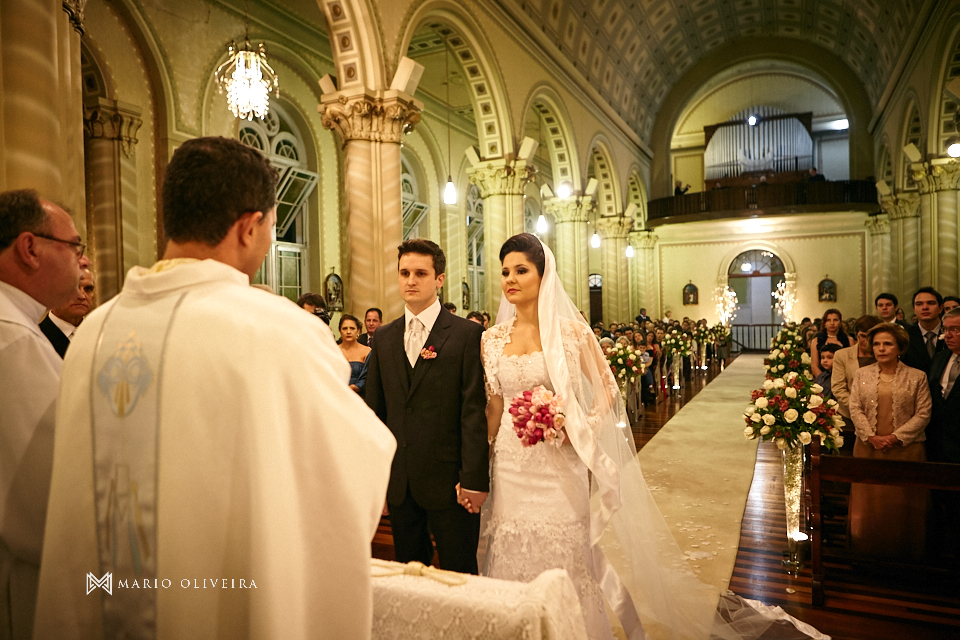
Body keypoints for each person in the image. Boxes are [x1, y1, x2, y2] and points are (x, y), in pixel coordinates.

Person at [32, 137, 397, 640]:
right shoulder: (279, 330)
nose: (269, 242)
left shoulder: (97, 332)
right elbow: (351, 469)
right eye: (272, 227)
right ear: (249, 226)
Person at [478, 233, 810, 640]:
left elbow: (606, 390)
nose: (510, 279)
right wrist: (483, 462)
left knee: (565, 548)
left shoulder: (570, 333)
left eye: (520, 270)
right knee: (511, 544)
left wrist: (573, 424)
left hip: (557, 461)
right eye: (504, 272)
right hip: (511, 463)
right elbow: (494, 406)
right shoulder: (491, 339)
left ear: (543, 276)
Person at [364, 238, 488, 575]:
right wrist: (379, 480)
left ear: (439, 279)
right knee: (409, 577)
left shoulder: (465, 334)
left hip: (451, 483)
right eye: (404, 272)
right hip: (402, 483)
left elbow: (472, 411)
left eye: (420, 273)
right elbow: (375, 413)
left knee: (459, 573)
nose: (411, 280)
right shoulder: (385, 337)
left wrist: (474, 479)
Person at [0, 189, 88, 640]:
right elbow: (47, 500)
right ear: (30, 248)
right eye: (76, 247)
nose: (83, 262)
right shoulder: (13, 341)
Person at [848, 323, 931, 559]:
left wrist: (895, 437)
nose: (881, 349)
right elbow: (854, 408)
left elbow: (924, 413)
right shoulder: (862, 375)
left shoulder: (917, 377)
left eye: (887, 344)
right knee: (869, 504)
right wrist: (871, 436)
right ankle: (866, 553)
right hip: (868, 448)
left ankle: (906, 556)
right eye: (876, 344)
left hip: (905, 450)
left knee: (903, 505)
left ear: (900, 348)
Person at [927, 307, 960, 560]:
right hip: (938, 446)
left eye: (955, 330)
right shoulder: (940, 358)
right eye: (946, 329)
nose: (948, 335)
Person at [831, 315, 883, 429]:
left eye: (870, 337)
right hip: (848, 416)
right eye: (862, 336)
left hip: (880, 416)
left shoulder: (883, 355)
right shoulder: (842, 355)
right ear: (857, 335)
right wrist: (857, 408)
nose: (866, 341)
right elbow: (838, 388)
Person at [39, 266, 95, 358]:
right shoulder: (37, 337)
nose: (82, 296)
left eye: (88, 289)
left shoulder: (101, 335)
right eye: (73, 288)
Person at [902, 286, 946, 374]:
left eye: (931, 303)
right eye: (919, 304)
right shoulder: (905, 335)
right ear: (914, 309)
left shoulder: (951, 332)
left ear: (940, 308)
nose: (925, 307)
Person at [810, 308, 852, 377]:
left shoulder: (849, 340)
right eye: (828, 320)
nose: (832, 323)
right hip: (822, 378)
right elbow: (814, 366)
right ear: (824, 323)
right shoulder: (816, 341)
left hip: (843, 377)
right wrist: (823, 380)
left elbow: (851, 364)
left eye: (835, 320)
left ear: (840, 322)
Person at [338, 313, 370, 395]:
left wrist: (353, 387)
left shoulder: (367, 351)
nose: (348, 332)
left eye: (352, 328)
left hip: (360, 395)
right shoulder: (333, 350)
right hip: (336, 394)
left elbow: (369, 377)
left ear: (358, 330)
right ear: (340, 331)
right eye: (344, 328)